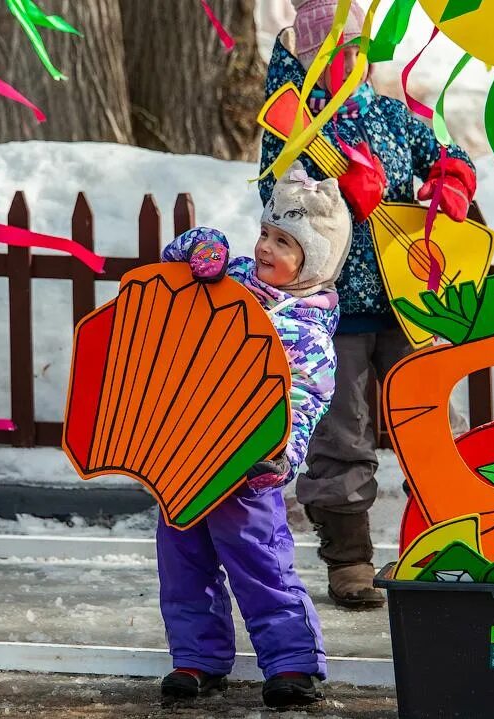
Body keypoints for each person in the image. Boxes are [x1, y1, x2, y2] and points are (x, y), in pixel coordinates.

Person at [260, 0, 476, 610]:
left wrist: (452, 180)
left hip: (411, 302)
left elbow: (444, 155)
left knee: (432, 423)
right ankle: (350, 560)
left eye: (354, 51)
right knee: (341, 435)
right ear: (305, 61)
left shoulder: (394, 116)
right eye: (329, 55)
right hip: (333, 309)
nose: (345, 63)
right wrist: (335, 197)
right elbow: (279, 203)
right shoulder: (290, 124)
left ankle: (449, 540)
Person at [156, 162, 351, 708]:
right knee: (182, 560)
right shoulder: (230, 277)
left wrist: (282, 456)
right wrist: (205, 247)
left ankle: (292, 664)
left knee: (260, 561)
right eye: (266, 232)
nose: (266, 247)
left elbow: (305, 401)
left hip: (249, 466)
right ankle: (196, 658)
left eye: (284, 242)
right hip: (183, 456)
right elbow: (176, 258)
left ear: (311, 261)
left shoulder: (306, 329)